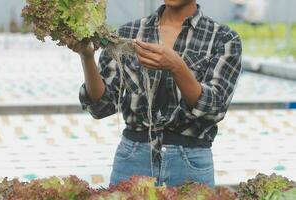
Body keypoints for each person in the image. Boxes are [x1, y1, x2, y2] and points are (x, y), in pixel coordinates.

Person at [69, 0, 242, 187]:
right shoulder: (129, 33)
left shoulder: (223, 38)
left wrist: (178, 67)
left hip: (190, 162)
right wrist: (87, 57)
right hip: (133, 158)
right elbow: (102, 105)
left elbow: (214, 107)